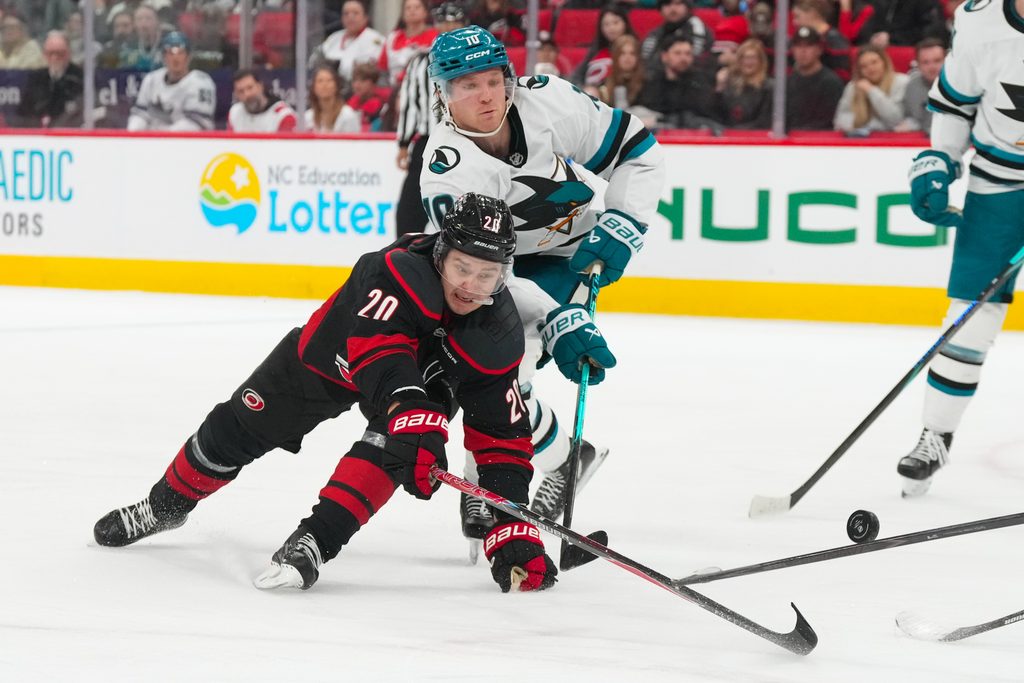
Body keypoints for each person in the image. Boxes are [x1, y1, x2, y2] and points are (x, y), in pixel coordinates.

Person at [93, 193, 560, 595]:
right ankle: (164, 506)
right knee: (233, 429)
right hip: (327, 363)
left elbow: (502, 436)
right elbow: (381, 350)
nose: (470, 286)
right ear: (440, 253)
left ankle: (315, 540)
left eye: (486, 275)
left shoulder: (497, 335)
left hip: (417, 388)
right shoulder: (392, 272)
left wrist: (513, 531)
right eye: (462, 267)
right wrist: (411, 409)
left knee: (394, 452)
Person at [421, 27, 663, 539]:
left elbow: (637, 147)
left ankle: (550, 464)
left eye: (494, 80)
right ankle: (555, 460)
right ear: (442, 96)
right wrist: (554, 316)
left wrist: (625, 221)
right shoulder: (448, 175)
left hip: (573, 254)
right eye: (468, 86)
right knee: (479, 369)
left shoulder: (544, 101)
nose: (487, 95)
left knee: (505, 374)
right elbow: (482, 279)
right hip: (492, 272)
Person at [897, 0, 1024, 497]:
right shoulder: (981, 19)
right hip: (997, 185)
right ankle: (935, 434)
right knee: (971, 315)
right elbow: (954, 102)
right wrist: (939, 161)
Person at [395, 2, 468, 236]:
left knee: (463, 201)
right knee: (409, 211)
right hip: (428, 141)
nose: (448, 27)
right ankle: (404, 255)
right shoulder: (419, 62)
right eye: (444, 22)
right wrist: (404, 143)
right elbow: (409, 103)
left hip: (468, 139)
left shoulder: (476, 61)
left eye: (453, 22)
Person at [127, 31, 215, 131]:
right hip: (153, 142)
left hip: (191, 144)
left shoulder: (201, 82)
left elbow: (195, 125)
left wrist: (163, 137)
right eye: (170, 53)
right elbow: (140, 115)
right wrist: (133, 134)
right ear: (164, 57)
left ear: (188, 56)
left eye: (180, 53)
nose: (175, 58)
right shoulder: (151, 80)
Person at [638, 33, 716, 128]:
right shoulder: (652, 83)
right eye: (677, 53)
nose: (683, 58)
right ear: (664, 56)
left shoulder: (700, 83)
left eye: (688, 54)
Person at [14, 30, 83, 128]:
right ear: (44, 54)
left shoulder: (80, 78)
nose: (54, 58)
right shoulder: (36, 78)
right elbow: (23, 114)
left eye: (60, 53)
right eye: (50, 53)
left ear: (69, 54)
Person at [833, 46, 909, 133]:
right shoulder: (853, 86)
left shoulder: (902, 81)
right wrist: (851, 126)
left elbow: (895, 120)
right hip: (860, 139)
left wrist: (871, 91)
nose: (870, 68)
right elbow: (839, 119)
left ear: (884, 62)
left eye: (874, 62)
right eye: (864, 66)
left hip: (894, 139)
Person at [785, 26, 844, 131]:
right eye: (798, 46)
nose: (803, 51)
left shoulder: (831, 82)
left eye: (808, 46)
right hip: (790, 140)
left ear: (819, 50)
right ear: (793, 49)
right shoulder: (787, 81)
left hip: (819, 141)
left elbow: (828, 121)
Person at [315, 0, 384, 83]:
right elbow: (316, 60)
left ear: (365, 17)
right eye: (346, 13)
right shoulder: (333, 38)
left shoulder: (375, 39)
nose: (350, 17)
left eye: (355, 13)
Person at [640, 0, 713, 76]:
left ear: (687, 7)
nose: (673, 9)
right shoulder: (655, 34)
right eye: (667, 4)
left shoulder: (697, 30)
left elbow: (697, 61)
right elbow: (645, 60)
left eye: (678, 3)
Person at [570, 3, 635, 88]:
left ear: (625, 23)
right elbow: (578, 75)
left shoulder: (634, 47)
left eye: (616, 22)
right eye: (606, 24)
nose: (611, 28)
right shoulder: (597, 49)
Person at [714, 38, 772, 129]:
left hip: (755, 138)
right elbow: (718, 115)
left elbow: (764, 122)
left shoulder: (768, 88)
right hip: (729, 136)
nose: (748, 62)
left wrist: (736, 131)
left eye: (752, 58)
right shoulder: (731, 85)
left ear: (761, 61)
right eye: (744, 58)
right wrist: (719, 88)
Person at [379, 0, 437, 87]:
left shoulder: (435, 36)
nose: (412, 10)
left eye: (417, 7)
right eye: (408, 8)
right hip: (394, 88)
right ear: (402, 14)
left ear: (425, 12)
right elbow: (382, 69)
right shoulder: (392, 38)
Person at [791, 0, 851, 80]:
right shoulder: (798, 37)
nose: (794, 22)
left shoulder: (835, 41)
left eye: (797, 16)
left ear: (812, 14)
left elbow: (842, 76)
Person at [897, 37, 946, 133]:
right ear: (918, 65)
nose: (932, 67)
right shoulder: (912, 86)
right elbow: (912, 118)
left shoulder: (962, 86)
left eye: (937, 61)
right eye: (925, 62)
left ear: (946, 61)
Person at [227, 69, 297, 133]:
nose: (247, 94)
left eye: (250, 88)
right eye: (241, 91)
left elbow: (286, 146)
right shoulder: (235, 112)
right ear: (236, 94)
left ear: (260, 86)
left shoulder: (283, 115)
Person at [306, 63, 362, 133]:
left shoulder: (347, 115)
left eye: (329, 80)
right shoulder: (307, 117)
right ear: (314, 87)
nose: (324, 85)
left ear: (336, 86)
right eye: (320, 81)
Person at [596, 34, 646, 108]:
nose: (627, 57)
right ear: (615, 56)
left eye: (632, 53)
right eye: (622, 53)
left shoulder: (647, 82)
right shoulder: (604, 83)